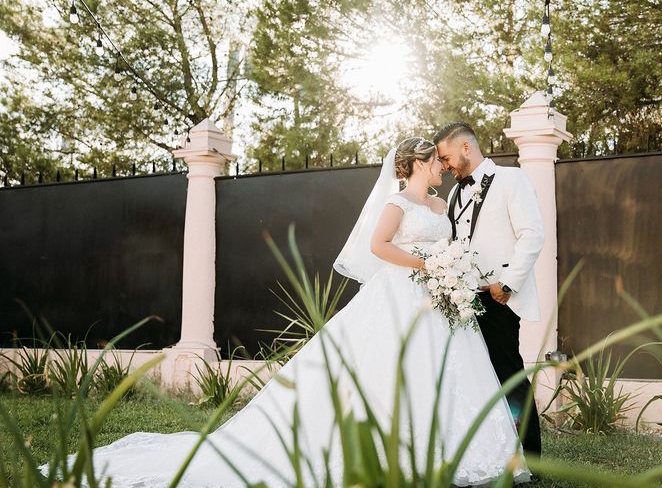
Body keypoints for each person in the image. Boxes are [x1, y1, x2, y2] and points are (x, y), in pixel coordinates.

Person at [43, 137, 529, 487]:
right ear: (419, 162)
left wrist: (447, 267)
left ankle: (447, 448)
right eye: (436, 161)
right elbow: (380, 247)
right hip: (401, 292)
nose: (442, 166)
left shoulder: (442, 204)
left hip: (438, 298)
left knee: (440, 371)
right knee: (388, 369)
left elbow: (450, 245)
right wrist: (427, 261)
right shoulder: (395, 202)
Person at [433, 123, 545, 458]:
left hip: (499, 297)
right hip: (463, 300)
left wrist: (508, 282)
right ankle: (494, 455)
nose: (445, 165)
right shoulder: (453, 194)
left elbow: (532, 234)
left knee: (508, 375)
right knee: (476, 378)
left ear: (466, 147)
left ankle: (531, 457)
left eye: (447, 157)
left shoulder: (513, 180)